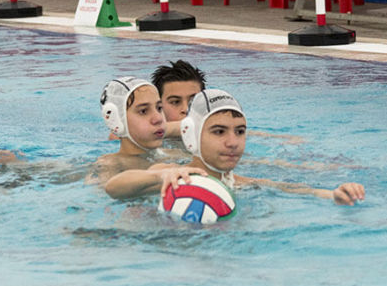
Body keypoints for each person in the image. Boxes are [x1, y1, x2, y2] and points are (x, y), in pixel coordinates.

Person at [105, 89, 365, 205]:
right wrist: (160, 175)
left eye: (240, 132)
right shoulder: (174, 174)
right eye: (218, 131)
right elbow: (114, 187)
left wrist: (334, 194)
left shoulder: (238, 181)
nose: (233, 142)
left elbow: (292, 189)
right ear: (192, 136)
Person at [89, 76, 203, 187]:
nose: (158, 118)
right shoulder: (109, 165)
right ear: (116, 120)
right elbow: (107, 191)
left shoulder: (175, 155)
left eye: (159, 108)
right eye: (143, 111)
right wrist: (158, 176)